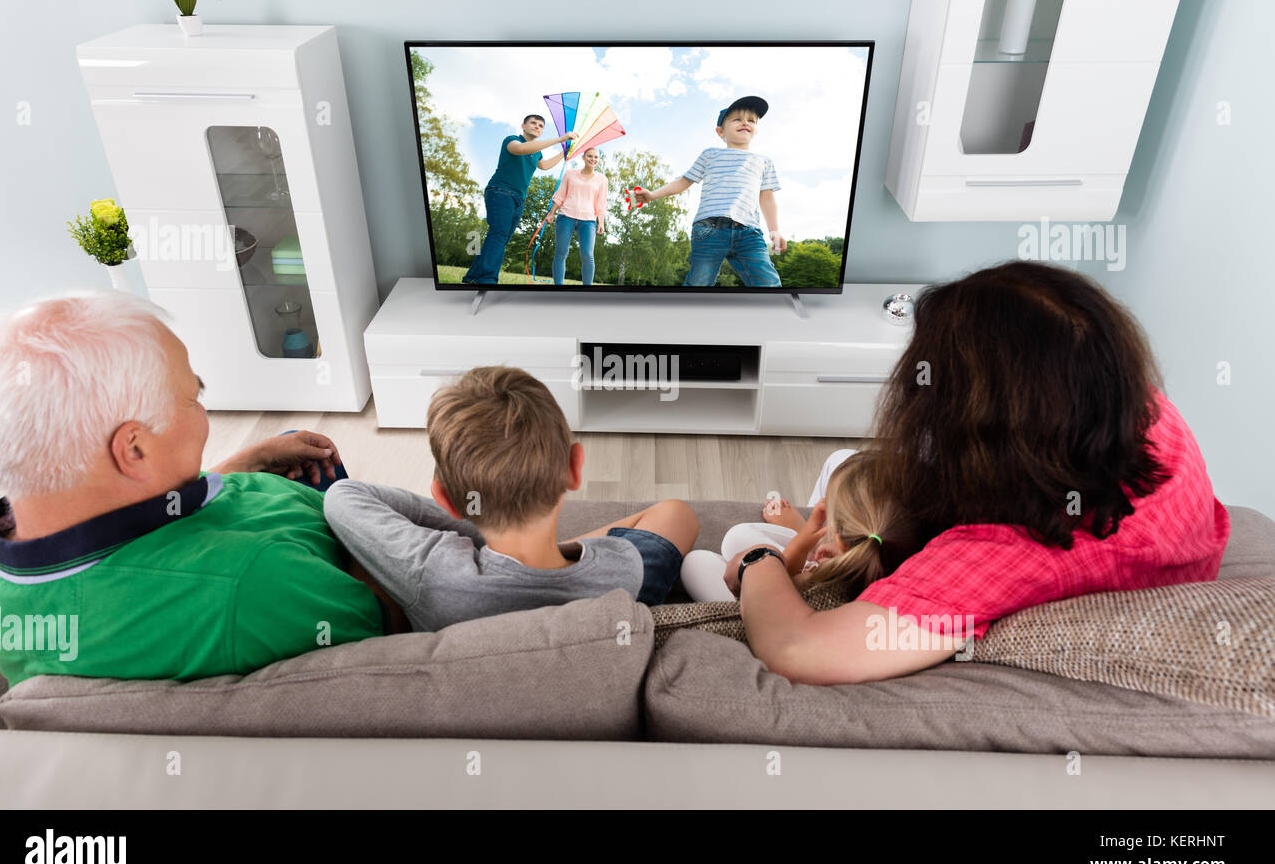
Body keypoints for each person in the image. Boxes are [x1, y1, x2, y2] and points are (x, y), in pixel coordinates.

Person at [730, 260, 1232, 685]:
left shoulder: (1007, 555)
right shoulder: (1140, 412)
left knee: (845, 469)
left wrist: (758, 559)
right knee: (847, 468)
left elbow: (797, 649)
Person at [0, 292, 388, 687]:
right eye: (194, 397)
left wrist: (246, 464)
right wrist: (357, 523)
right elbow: (391, 631)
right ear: (134, 449)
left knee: (296, 439)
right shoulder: (250, 584)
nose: (203, 410)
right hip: (343, 543)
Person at [323, 366, 699, 631]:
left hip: (467, 611)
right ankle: (556, 553)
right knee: (676, 513)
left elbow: (344, 495)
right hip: (606, 604)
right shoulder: (622, 566)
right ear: (574, 468)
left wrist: (471, 528)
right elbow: (672, 523)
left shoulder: (433, 572)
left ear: (446, 500)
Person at [679, 451, 919, 603]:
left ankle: (808, 540)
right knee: (735, 538)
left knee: (696, 561)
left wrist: (802, 542)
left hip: (765, 608)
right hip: (818, 570)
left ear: (842, 539)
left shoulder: (824, 586)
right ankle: (809, 539)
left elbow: (781, 584)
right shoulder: (897, 559)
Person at [633, 95, 784, 287]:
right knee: (699, 284)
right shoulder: (710, 154)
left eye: (751, 120)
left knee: (769, 283)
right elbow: (683, 182)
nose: (745, 122)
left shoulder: (763, 162)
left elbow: (767, 198)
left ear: (755, 130)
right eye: (737, 119)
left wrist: (775, 230)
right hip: (709, 230)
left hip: (748, 233)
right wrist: (652, 195)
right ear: (720, 131)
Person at [461, 114, 576, 285]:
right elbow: (521, 150)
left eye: (540, 125)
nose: (537, 127)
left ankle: (472, 278)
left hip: (518, 198)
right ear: (523, 126)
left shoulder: (537, 152)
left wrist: (564, 152)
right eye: (533, 123)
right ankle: (487, 279)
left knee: (501, 238)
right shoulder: (512, 140)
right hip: (500, 191)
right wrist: (560, 139)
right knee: (498, 234)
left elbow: (544, 166)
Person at [545, 146, 607, 285]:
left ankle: (587, 290)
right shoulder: (570, 174)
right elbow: (560, 195)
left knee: (588, 255)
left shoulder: (602, 179)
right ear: (583, 157)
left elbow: (601, 204)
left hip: (589, 221)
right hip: (566, 216)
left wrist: (601, 223)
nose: (593, 159)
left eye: (596, 157)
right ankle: (559, 287)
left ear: (598, 160)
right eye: (590, 156)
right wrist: (551, 213)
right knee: (561, 252)